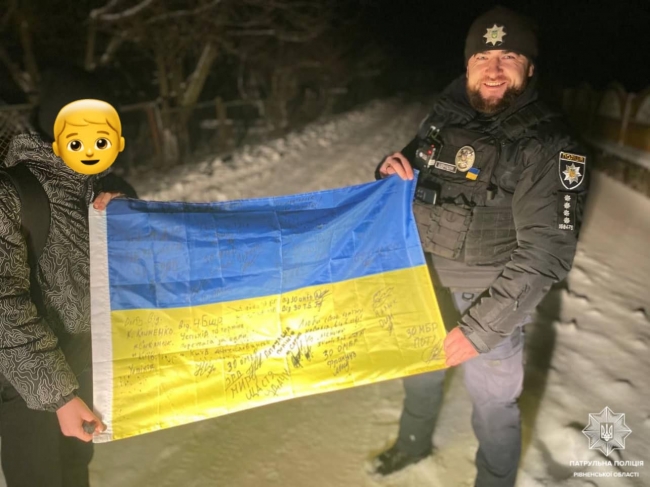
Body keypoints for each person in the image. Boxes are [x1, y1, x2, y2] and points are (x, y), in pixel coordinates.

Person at [371, 6, 588, 486]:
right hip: (423, 282)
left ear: (529, 68)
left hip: (489, 299)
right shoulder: (443, 117)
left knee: (494, 407)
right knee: (420, 374)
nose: (493, 69)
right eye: (483, 57)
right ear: (467, 65)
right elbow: (406, 170)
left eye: (508, 56)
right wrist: (389, 172)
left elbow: (546, 254)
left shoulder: (550, 144)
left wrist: (479, 329)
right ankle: (412, 445)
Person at [0, 71, 136, 487]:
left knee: (76, 473)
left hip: (84, 365)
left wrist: (128, 217)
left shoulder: (104, 189)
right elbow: (3, 303)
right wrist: (58, 396)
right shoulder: (12, 194)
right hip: (28, 385)